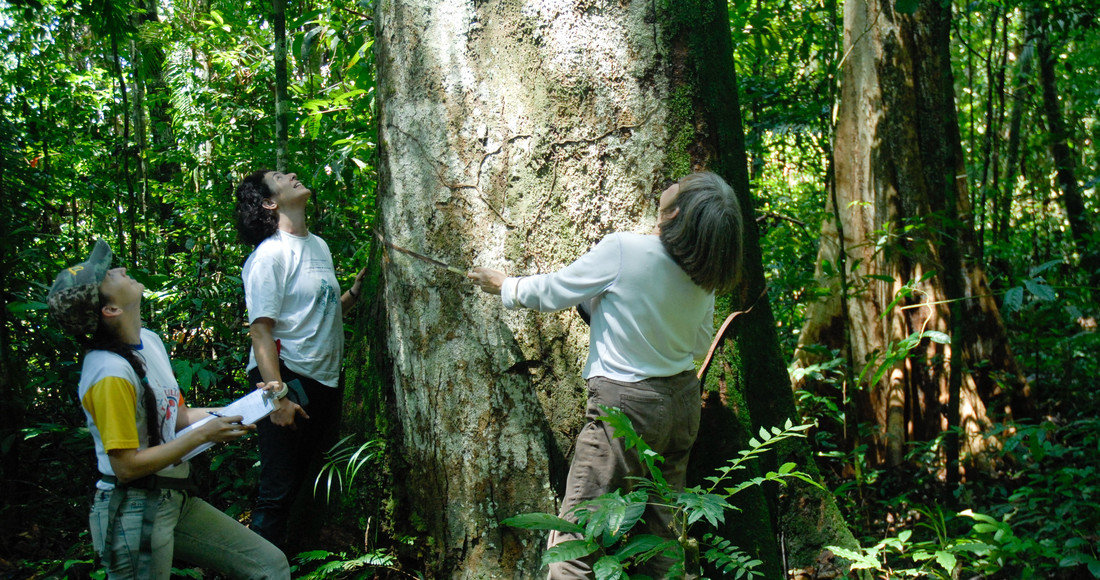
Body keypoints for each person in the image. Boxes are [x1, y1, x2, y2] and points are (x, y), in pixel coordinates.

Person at [468, 171, 744, 579]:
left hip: (626, 408)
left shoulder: (624, 250)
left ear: (676, 212)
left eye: (680, 183)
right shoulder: (703, 275)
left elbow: (553, 290)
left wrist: (505, 285)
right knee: (661, 535)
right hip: (682, 405)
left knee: (578, 537)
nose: (673, 180)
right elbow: (698, 345)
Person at [47, 239, 290, 579]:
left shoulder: (150, 342)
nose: (119, 269)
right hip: (131, 508)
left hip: (173, 499)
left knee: (269, 565)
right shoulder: (109, 373)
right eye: (108, 276)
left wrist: (252, 407)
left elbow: (177, 417)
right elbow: (127, 467)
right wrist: (203, 436)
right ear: (110, 310)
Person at [233, 169, 366, 551]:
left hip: (322, 381)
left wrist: (355, 294)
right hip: (286, 378)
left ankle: (290, 558)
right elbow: (261, 331)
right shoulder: (270, 255)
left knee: (308, 482)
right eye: (279, 176)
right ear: (269, 203)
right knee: (277, 490)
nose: (291, 174)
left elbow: (318, 313)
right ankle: (260, 570)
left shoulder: (318, 246)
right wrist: (277, 398)